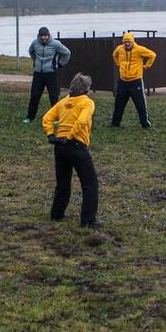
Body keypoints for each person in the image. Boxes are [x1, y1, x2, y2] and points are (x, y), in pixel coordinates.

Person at [43, 73, 100, 228]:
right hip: (76, 145)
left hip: (59, 147)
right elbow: (82, 121)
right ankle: (88, 220)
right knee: (90, 184)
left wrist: (50, 134)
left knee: (63, 183)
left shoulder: (63, 102)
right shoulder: (87, 103)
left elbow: (47, 118)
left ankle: (57, 214)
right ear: (86, 89)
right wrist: (70, 136)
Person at [23, 27, 71, 124]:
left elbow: (67, 53)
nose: (43, 38)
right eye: (41, 36)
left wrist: (60, 64)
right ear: (38, 36)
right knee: (34, 96)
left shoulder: (55, 44)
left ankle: (57, 118)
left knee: (53, 96)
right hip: (38, 74)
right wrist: (35, 60)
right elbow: (31, 51)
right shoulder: (35, 43)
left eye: (45, 36)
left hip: (51, 74)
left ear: (48, 35)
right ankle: (30, 117)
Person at [110, 32, 156, 129]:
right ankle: (115, 123)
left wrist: (147, 66)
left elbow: (152, 55)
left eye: (129, 42)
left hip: (136, 81)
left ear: (132, 41)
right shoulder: (119, 49)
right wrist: (118, 64)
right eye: (125, 41)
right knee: (119, 104)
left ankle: (145, 124)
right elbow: (114, 55)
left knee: (140, 104)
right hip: (122, 81)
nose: (127, 43)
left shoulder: (139, 49)